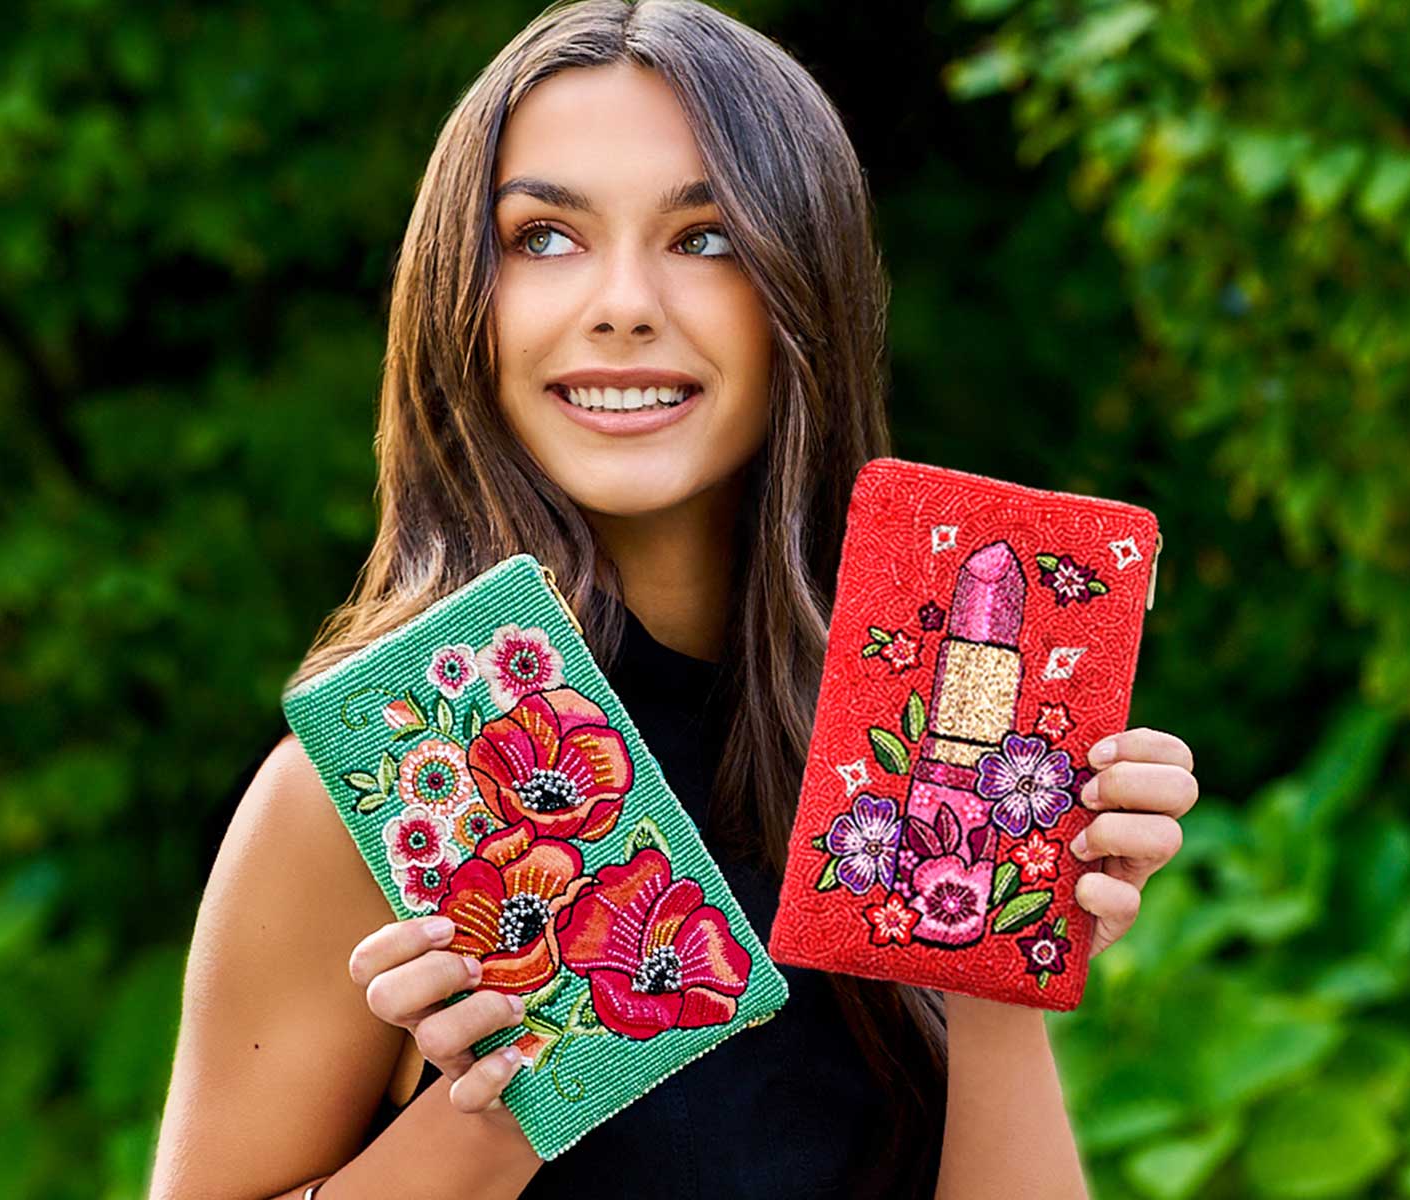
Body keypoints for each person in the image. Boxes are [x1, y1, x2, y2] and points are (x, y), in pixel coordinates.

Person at [151, 3, 1197, 1196]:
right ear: (461, 304)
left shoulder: (891, 766)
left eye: (705, 239)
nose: (622, 303)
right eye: (542, 237)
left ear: (803, 297)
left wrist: (1000, 955)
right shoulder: (379, 785)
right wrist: (503, 1104)